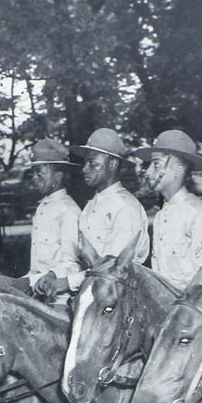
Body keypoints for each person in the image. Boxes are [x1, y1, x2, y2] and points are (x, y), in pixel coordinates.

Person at [134, 129, 202, 291]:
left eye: (156, 164)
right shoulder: (161, 216)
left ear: (177, 171)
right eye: (150, 164)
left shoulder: (198, 215)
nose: (149, 171)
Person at [66, 128, 149, 291]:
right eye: (85, 162)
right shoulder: (91, 205)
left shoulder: (125, 207)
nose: (84, 169)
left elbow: (113, 269)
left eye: (93, 163)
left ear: (112, 164)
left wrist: (67, 282)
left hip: (117, 295)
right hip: (90, 291)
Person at [24, 139, 82, 302]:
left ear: (58, 175)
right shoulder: (43, 207)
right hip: (37, 291)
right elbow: (37, 267)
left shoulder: (68, 211)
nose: (34, 178)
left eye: (40, 173)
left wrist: (52, 275)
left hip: (59, 298)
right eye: (33, 173)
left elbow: (73, 263)